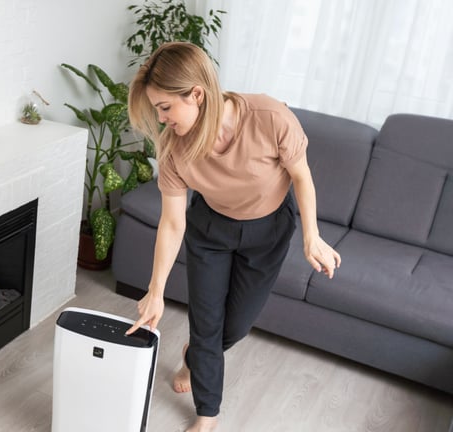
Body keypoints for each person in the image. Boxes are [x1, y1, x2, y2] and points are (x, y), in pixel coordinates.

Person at [124, 42, 342, 432]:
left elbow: (301, 176)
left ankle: (195, 358)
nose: (162, 120)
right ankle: (207, 415)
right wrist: (155, 291)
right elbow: (173, 223)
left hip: (268, 231)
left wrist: (313, 236)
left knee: (235, 326)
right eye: (157, 111)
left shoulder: (270, 117)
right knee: (206, 322)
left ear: (196, 94)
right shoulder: (174, 150)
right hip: (211, 231)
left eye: (165, 108)